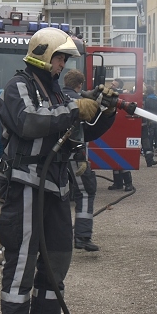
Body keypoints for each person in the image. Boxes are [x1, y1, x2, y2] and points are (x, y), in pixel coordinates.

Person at [0, 27, 116, 314]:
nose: (62, 64)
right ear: (44, 55)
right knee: (22, 261)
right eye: (60, 57)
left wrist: (106, 109)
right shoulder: (17, 87)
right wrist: (78, 109)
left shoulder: (59, 94)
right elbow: (30, 121)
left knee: (57, 258)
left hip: (56, 185)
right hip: (27, 185)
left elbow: (84, 131)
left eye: (64, 59)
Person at [62, 69, 101, 252]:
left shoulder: (55, 96)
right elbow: (90, 126)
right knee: (86, 191)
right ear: (79, 85)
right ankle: (83, 237)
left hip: (52, 155)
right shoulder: (81, 103)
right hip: (74, 153)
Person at [141, 85, 157, 167]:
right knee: (147, 143)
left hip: (142, 123)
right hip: (145, 123)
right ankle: (149, 161)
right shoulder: (155, 99)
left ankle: (150, 161)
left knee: (146, 143)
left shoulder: (145, 99)